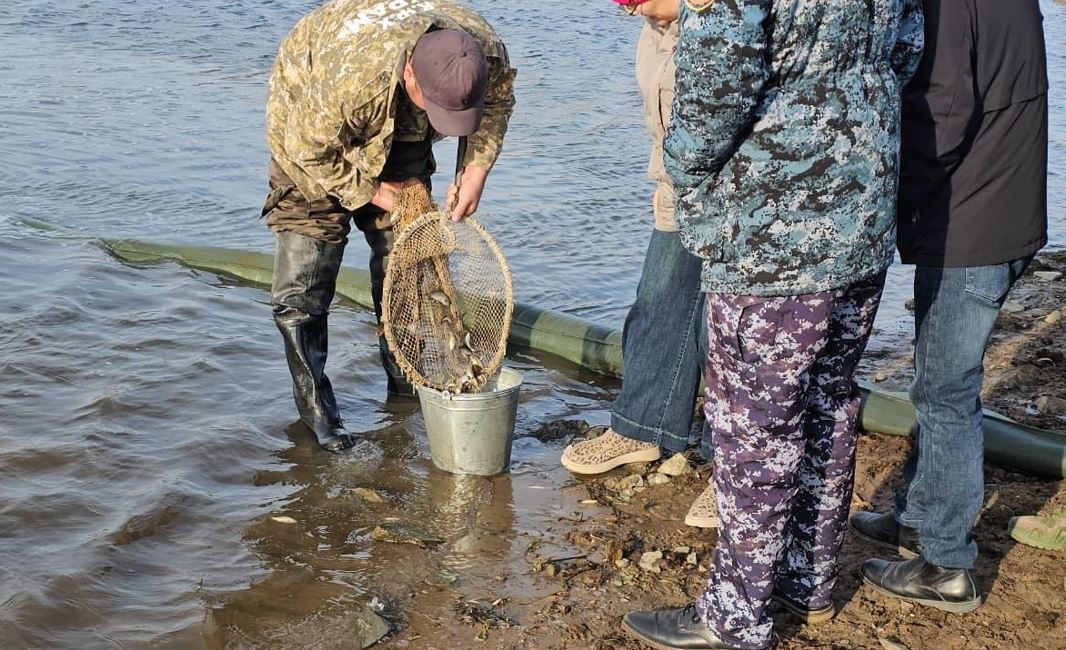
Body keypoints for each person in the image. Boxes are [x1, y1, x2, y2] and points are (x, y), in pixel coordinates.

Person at [621, 0, 924, 647]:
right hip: (864, 207)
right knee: (828, 402)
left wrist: (691, 178)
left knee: (754, 423)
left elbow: (711, 99)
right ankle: (804, 580)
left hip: (773, 228)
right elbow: (905, 52)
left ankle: (736, 613)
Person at [853, 0, 1048, 613]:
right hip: (1009, 209)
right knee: (940, 385)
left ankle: (945, 562)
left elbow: (943, 114)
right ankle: (918, 512)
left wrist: (886, 203)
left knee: (945, 392)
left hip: (972, 226)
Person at [262, 0, 516, 452]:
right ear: (411, 77)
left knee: (410, 259)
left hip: (400, 126)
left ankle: (407, 387)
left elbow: (496, 103)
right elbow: (307, 149)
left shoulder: (484, 53)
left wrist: (475, 171)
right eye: (439, 109)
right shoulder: (350, 81)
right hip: (313, 131)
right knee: (303, 288)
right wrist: (376, 192)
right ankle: (321, 417)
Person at [560, 0, 718, 530]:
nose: (625, 7)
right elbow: (666, 119)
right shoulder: (654, 29)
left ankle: (733, 469)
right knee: (656, 300)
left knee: (732, 330)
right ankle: (642, 428)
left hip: (737, 192)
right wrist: (666, 184)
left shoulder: (727, 21)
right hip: (679, 183)